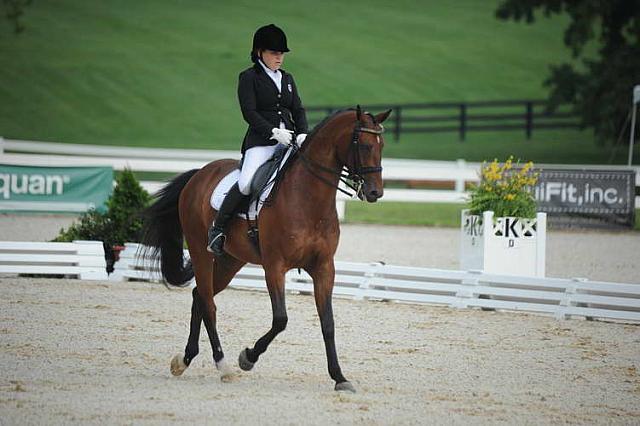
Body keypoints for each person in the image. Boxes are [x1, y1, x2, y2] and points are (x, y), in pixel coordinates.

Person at [207, 23, 309, 255]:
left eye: (281, 53)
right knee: (246, 183)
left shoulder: (287, 78)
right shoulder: (249, 77)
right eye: (274, 53)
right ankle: (218, 229)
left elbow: (298, 109)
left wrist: (302, 132)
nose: (279, 58)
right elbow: (249, 113)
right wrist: (273, 131)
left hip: (290, 141)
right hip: (262, 142)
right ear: (259, 52)